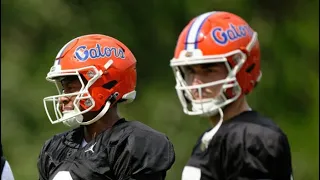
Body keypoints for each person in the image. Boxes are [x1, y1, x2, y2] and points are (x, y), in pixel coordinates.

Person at [169, 11, 293, 180]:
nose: (196, 83)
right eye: (190, 70)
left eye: (209, 70)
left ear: (243, 70)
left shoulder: (250, 138)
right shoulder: (219, 135)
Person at [38, 34, 175, 180]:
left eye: (72, 88)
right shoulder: (55, 148)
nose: (64, 97)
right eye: (64, 89)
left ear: (106, 84)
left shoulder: (133, 143)